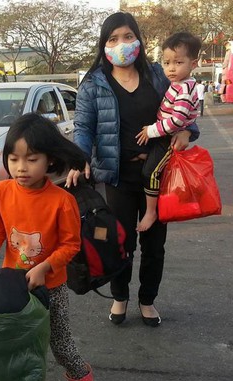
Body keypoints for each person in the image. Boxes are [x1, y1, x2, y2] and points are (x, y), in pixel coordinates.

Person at [66, 12, 199, 327]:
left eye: (127, 37)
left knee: (155, 244)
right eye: (113, 39)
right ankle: (120, 296)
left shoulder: (158, 74)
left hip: (158, 175)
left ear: (138, 39)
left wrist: (188, 132)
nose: (121, 45)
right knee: (120, 242)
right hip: (117, 177)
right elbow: (84, 127)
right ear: (104, 45)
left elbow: (187, 111)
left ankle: (147, 300)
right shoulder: (94, 82)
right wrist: (78, 158)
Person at [0, 113, 99, 381]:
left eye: (31, 159)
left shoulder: (62, 202)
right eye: (14, 159)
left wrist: (46, 267)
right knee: (9, 345)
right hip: (13, 286)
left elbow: (71, 246)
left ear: (50, 159)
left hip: (50, 288)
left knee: (60, 345)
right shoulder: (1, 192)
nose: (21, 168)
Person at [134, 32, 201, 231]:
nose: (171, 68)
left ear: (193, 64)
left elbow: (177, 121)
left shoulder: (186, 90)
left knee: (150, 173)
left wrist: (151, 131)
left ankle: (151, 211)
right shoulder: (177, 84)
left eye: (178, 62)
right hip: (162, 138)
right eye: (167, 63)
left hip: (167, 139)